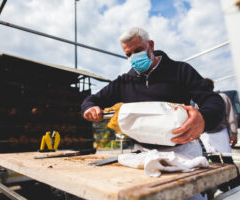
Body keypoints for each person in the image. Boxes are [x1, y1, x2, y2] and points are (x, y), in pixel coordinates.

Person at [81, 27, 225, 200]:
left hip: (183, 152)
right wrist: (90, 108)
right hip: (143, 155)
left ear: (150, 45)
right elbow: (91, 100)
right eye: (128, 54)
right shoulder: (124, 82)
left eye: (138, 50)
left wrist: (203, 118)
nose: (134, 57)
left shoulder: (180, 70)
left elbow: (213, 101)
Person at [200, 78, 240, 192]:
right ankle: (223, 189)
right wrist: (199, 136)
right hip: (206, 135)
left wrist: (233, 133)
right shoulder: (200, 100)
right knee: (214, 163)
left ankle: (236, 186)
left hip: (221, 133)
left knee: (228, 161)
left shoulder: (222, 97)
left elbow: (231, 116)